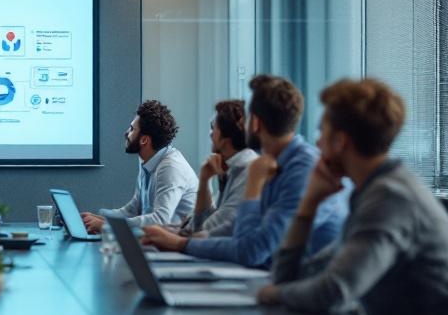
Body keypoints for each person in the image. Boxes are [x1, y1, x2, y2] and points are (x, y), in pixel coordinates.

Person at [257, 79, 448, 315]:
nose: (318, 144)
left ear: (341, 141)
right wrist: (308, 205)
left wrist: (275, 294)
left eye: (321, 132)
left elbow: (333, 291)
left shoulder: (390, 198)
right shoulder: (372, 191)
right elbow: (293, 278)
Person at [141, 75, 349, 268]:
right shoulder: (278, 162)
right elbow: (240, 231)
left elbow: (252, 249)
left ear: (256, 123)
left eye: (246, 118)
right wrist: (191, 240)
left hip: (302, 291)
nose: (241, 124)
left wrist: (181, 244)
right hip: (277, 281)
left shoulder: (300, 170)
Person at [80, 100, 197, 231]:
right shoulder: (148, 162)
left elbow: (160, 220)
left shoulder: (171, 168)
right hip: (159, 242)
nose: (126, 133)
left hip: (181, 246)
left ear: (144, 140)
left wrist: (106, 226)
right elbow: (132, 210)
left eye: (132, 129)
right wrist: (99, 218)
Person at [180, 99, 258, 237]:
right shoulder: (233, 168)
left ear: (226, 137)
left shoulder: (247, 170)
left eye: (213, 126)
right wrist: (205, 180)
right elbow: (198, 224)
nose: (210, 134)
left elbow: (202, 230)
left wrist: (175, 236)